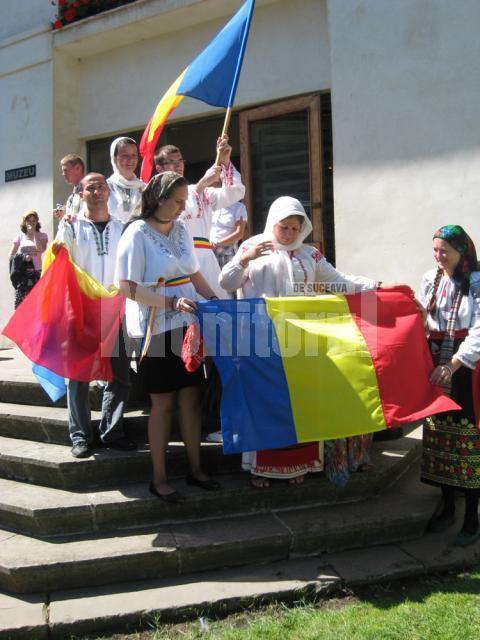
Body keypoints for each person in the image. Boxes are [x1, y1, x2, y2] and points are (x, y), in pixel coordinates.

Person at [219, 196, 380, 488]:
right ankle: (263, 467)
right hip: (260, 341)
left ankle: (298, 464)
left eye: (295, 227)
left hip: (299, 341)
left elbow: (338, 281)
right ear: (273, 223)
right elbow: (226, 283)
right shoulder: (252, 247)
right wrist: (245, 258)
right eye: (284, 227)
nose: (289, 234)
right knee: (266, 401)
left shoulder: (309, 255)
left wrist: (373, 286)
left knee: (298, 401)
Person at [116, 172, 221, 502]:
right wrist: (170, 302)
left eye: (184, 201)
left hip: (188, 325)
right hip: (156, 328)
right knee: (162, 404)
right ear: (159, 199)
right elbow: (127, 287)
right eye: (177, 201)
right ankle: (158, 477)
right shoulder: (136, 233)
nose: (181, 207)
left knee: (190, 399)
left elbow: (194, 272)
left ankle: (195, 468)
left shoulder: (181, 229)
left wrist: (215, 301)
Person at [55, 172, 135, 458]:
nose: (98, 191)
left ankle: (112, 431)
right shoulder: (71, 228)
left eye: (102, 186)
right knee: (77, 378)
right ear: (81, 195)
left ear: (109, 192)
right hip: (82, 311)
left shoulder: (123, 228)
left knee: (121, 375)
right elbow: (59, 267)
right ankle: (79, 436)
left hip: (117, 311)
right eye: (91, 187)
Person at [420, 224, 480, 547]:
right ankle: (447, 507)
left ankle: (472, 515)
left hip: (465, 369)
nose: (438, 256)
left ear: (462, 250)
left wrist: (453, 364)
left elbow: (479, 332)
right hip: (435, 366)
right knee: (440, 437)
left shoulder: (477, 283)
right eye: (435, 250)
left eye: (445, 250)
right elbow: (426, 320)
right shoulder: (431, 280)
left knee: (467, 439)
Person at [154, 135, 245, 299]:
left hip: (207, 260)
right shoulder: (155, 194)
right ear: (160, 168)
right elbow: (176, 216)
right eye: (172, 162)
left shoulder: (204, 193)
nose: (178, 165)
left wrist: (225, 161)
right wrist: (202, 184)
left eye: (180, 161)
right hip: (180, 261)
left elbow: (236, 191)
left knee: (218, 311)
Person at [9, 210, 48, 308]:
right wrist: (23, 257)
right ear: (24, 222)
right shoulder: (19, 237)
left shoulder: (42, 235)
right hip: (23, 274)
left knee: (37, 303)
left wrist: (34, 234)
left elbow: (41, 249)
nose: (31, 223)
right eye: (29, 221)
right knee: (22, 304)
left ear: (37, 222)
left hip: (37, 272)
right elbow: (11, 255)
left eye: (34, 220)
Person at [107, 137, 145, 222]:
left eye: (134, 155)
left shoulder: (144, 188)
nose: (130, 160)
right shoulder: (106, 187)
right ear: (114, 158)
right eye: (125, 156)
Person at [210, 201, 248, 268]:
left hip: (227, 251)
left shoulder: (239, 207)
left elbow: (239, 234)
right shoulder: (211, 205)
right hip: (209, 250)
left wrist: (217, 243)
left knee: (224, 277)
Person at [54, 154, 85, 220]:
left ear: (78, 168)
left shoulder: (89, 189)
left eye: (65, 170)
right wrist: (64, 214)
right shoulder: (75, 191)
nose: (63, 174)